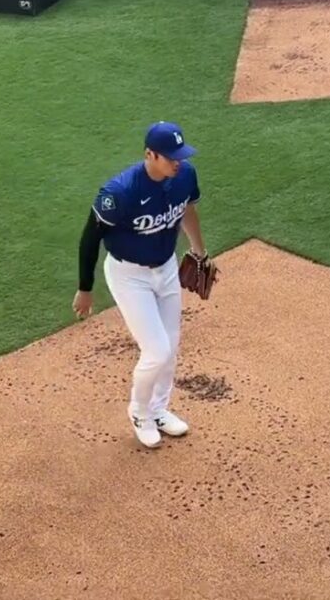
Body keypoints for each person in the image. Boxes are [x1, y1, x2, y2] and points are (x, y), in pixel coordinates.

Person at [72, 121, 216, 448]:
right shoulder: (120, 193)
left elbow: (187, 210)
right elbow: (89, 238)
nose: (177, 161)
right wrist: (85, 287)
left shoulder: (184, 176)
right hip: (129, 276)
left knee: (172, 343)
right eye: (169, 156)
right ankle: (139, 412)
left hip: (165, 268)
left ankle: (159, 409)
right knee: (157, 349)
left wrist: (199, 250)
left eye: (180, 154)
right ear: (149, 154)